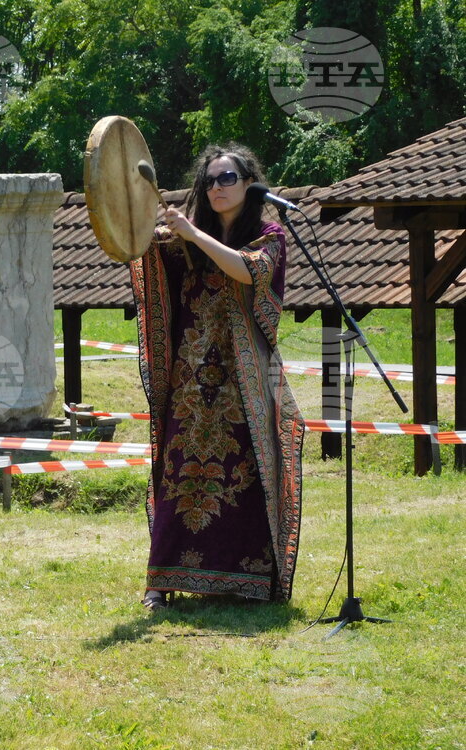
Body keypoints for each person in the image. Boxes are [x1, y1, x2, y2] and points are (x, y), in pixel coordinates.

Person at [128, 144, 304, 609]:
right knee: (177, 473)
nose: (216, 188)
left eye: (227, 178)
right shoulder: (185, 235)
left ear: (250, 182)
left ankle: (245, 582)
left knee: (246, 477)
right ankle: (159, 582)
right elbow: (135, 249)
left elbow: (247, 271)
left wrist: (192, 234)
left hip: (244, 382)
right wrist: (149, 228)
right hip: (190, 381)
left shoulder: (269, 235)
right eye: (209, 180)